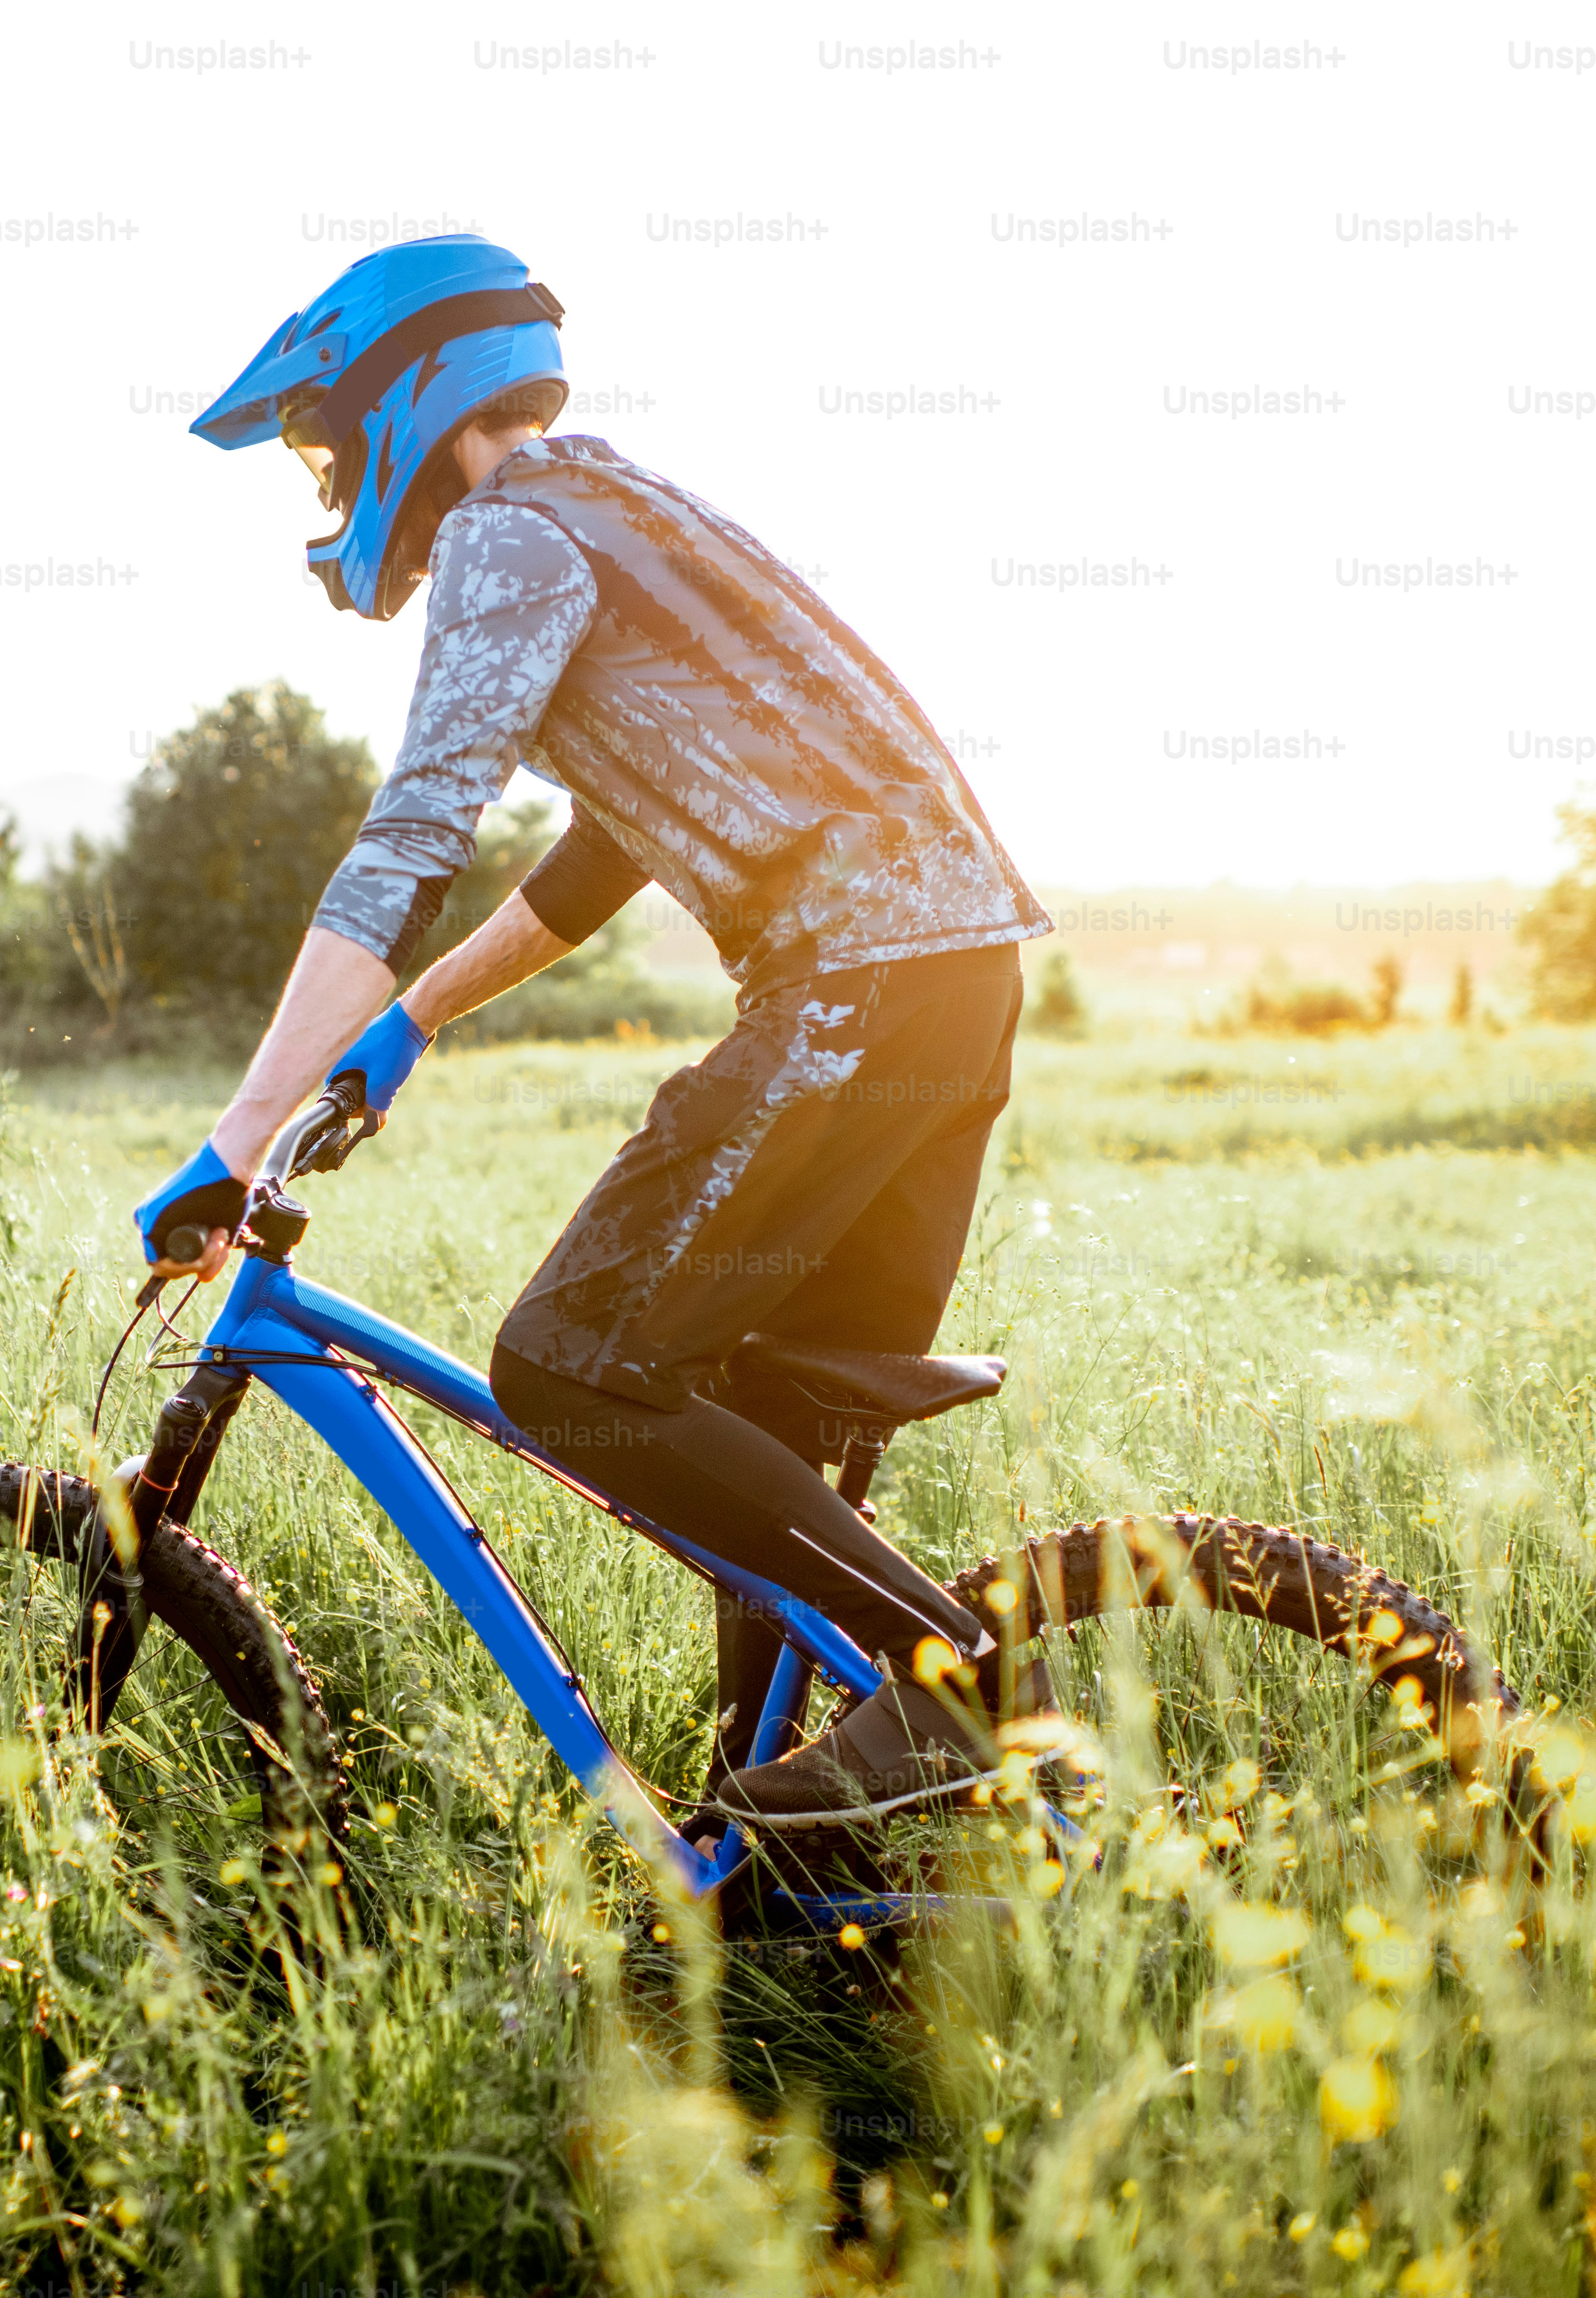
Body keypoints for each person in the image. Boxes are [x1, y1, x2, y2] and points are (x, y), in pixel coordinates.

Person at [133, 235, 1052, 1831]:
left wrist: (229, 1148)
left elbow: (411, 838)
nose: (328, 481)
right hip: (951, 983)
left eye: (323, 440)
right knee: (749, 1421)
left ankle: (962, 1687)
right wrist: (412, 1023)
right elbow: (608, 847)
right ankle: (788, 1884)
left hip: (854, 985)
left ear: (407, 395)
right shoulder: (617, 502)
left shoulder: (509, 536)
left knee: (567, 1368)